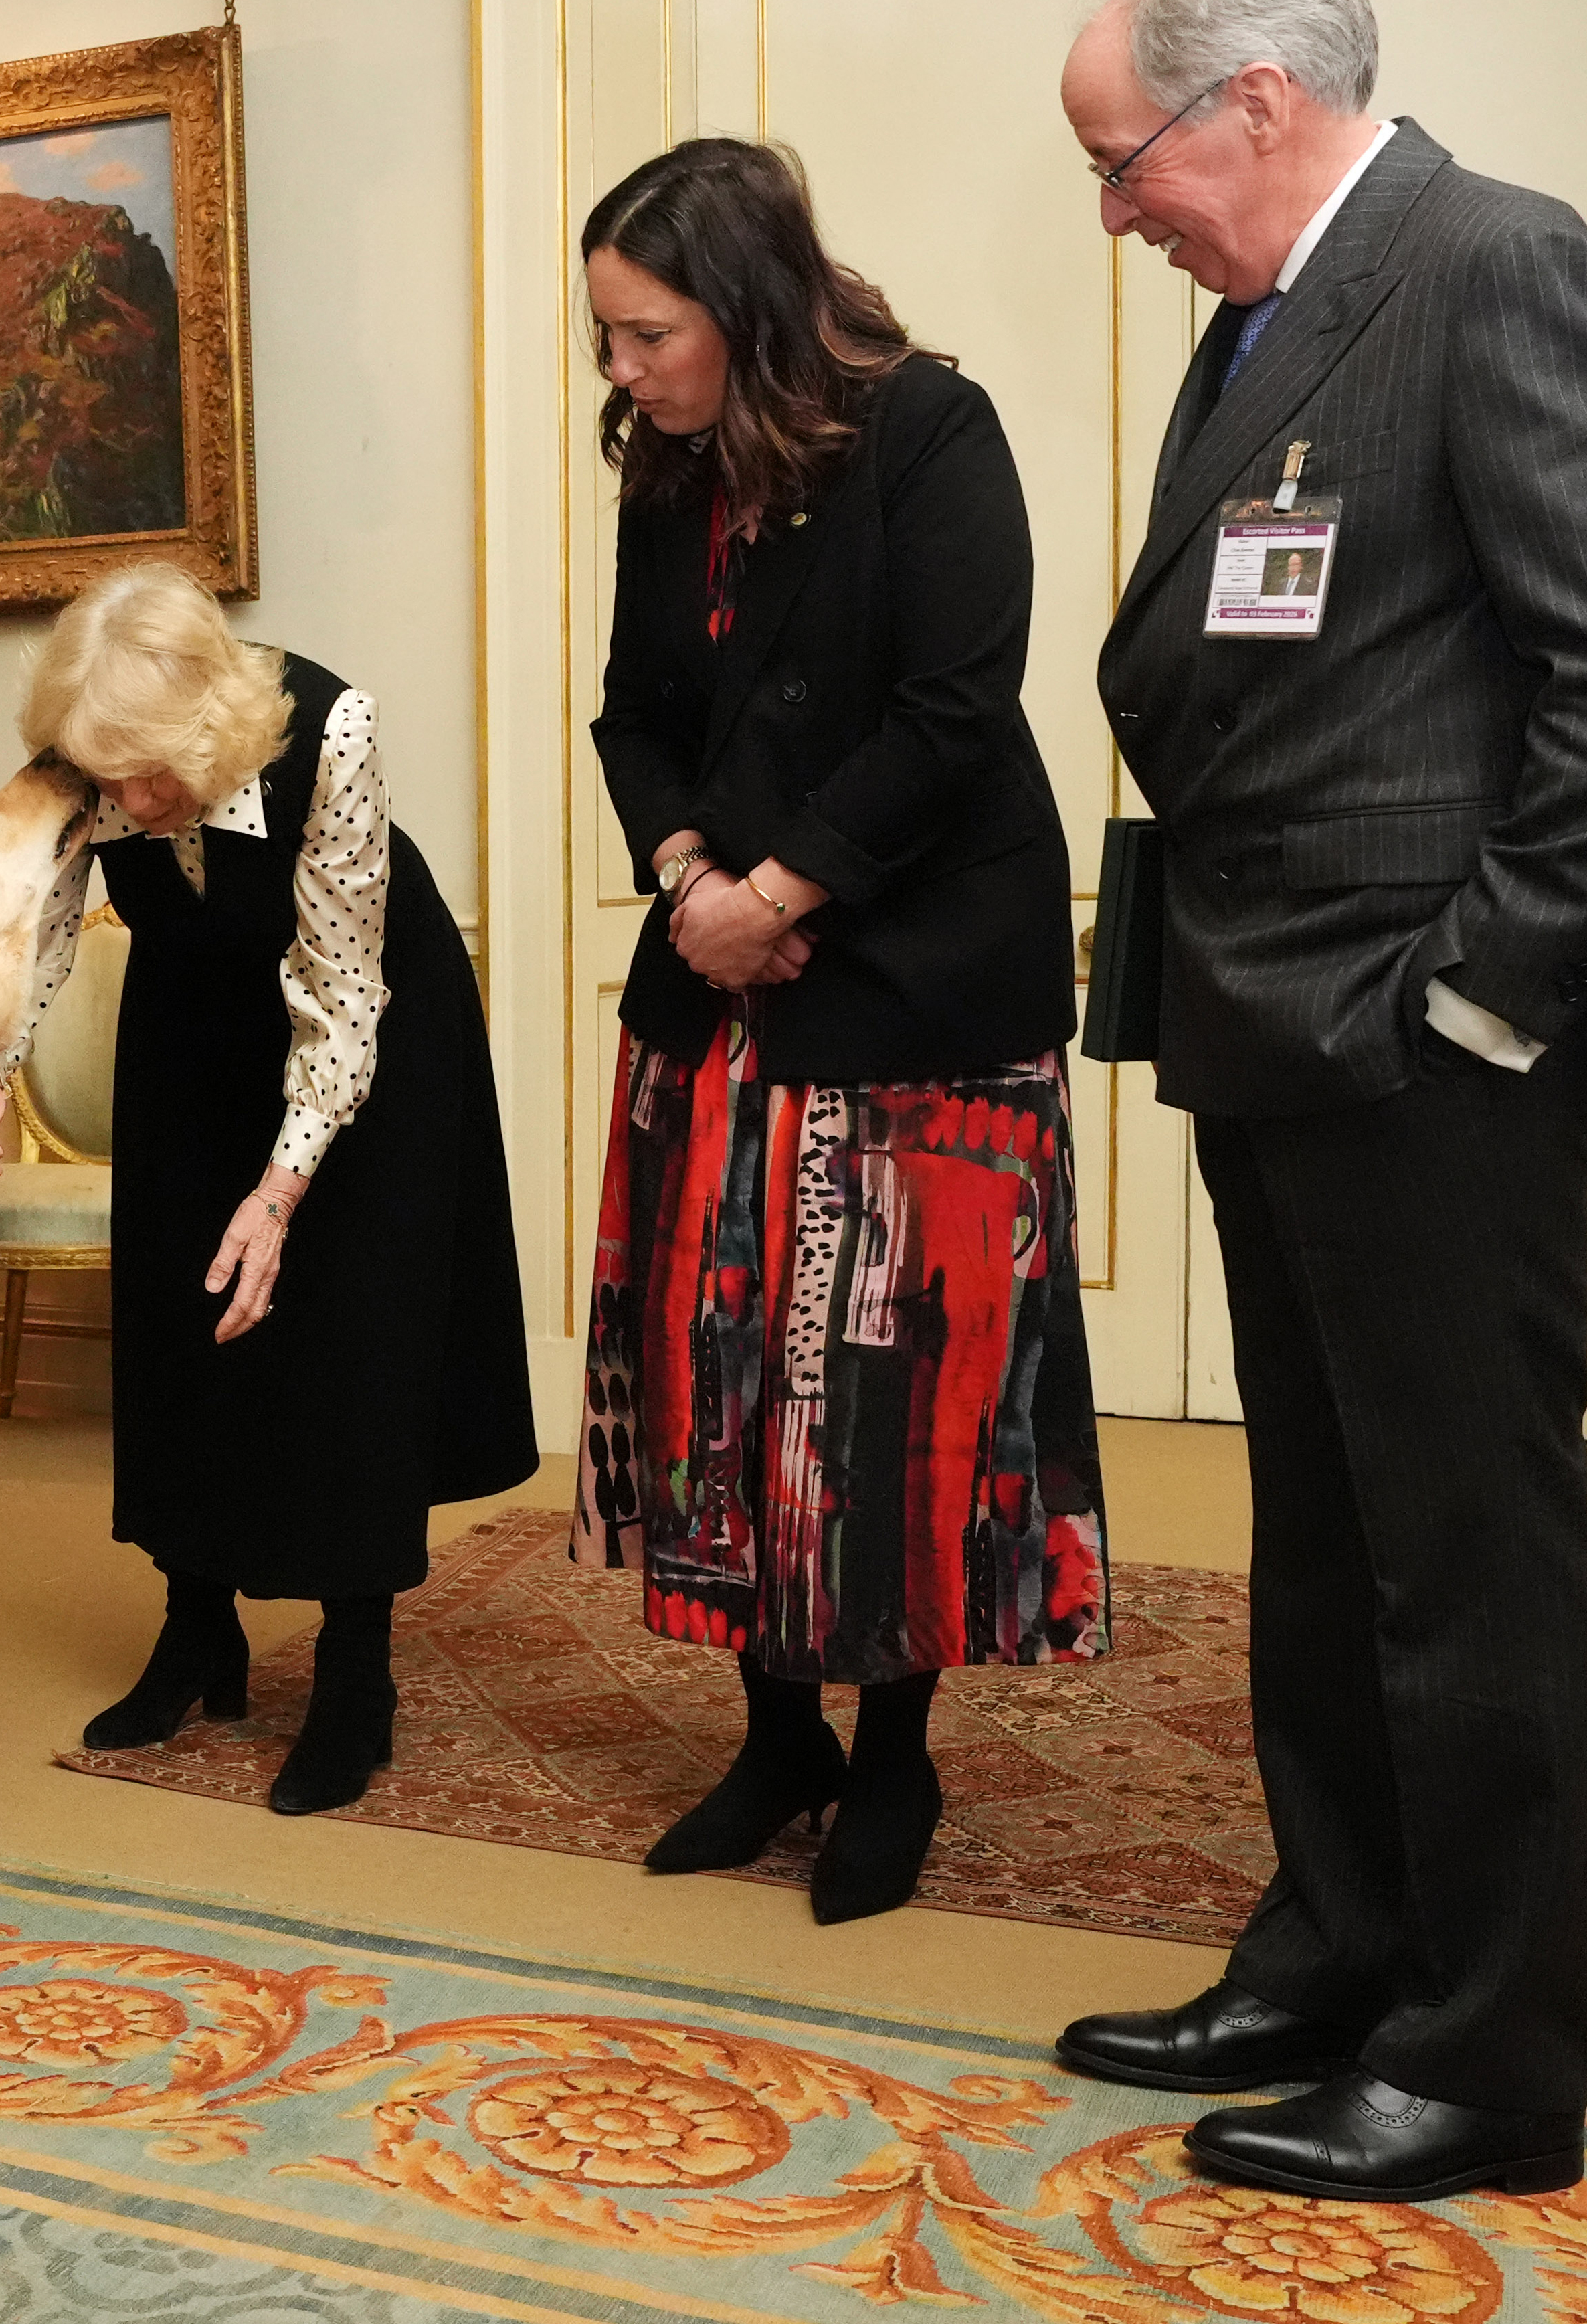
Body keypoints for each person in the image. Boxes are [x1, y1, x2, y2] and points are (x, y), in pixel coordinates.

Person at [1051, 0, 1587, 2202]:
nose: (1117, 209)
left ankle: (1489, 2062)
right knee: (1329, 1547)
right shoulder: (1272, 311)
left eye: (1124, 158)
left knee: (1469, 1561)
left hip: (1428, 1056)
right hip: (1274, 1034)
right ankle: (1340, 1945)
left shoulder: (1492, 264)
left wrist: (1480, 995)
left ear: (1254, 101)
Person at [570, 137, 1106, 1927]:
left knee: (887, 1398)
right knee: (727, 1372)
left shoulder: (932, 430)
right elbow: (635, 713)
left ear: (743, 299)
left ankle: (897, 1756)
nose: (626, 374)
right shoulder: (663, 475)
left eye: (648, 334)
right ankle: (777, 1728)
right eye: (611, 343)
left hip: (912, 993)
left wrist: (780, 893)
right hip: (723, 988)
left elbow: (955, 714)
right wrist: (685, 872)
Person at [26, 562, 535, 1817]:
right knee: (181, 1314)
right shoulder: (90, 755)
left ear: (208, 730)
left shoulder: (331, 728)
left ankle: (358, 1674)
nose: (129, 806)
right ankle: (198, 1632)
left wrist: (281, 1189)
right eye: (106, 781)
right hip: (192, 1023)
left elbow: (343, 1001)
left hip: (361, 1021)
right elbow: (33, 933)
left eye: (150, 778)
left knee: (348, 1340)